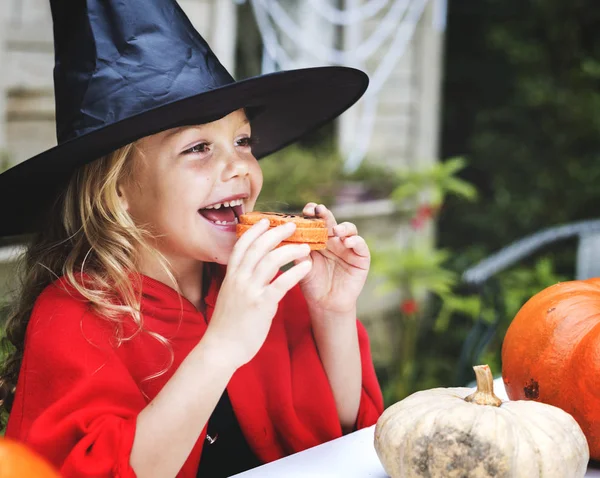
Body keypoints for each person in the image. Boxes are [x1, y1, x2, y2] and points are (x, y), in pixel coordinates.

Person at [0, 1, 384, 477]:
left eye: (243, 141)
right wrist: (223, 345)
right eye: (199, 148)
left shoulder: (265, 286)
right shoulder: (75, 316)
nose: (239, 166)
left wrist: (332, 315)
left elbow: (341, 436)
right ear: (118, 190)